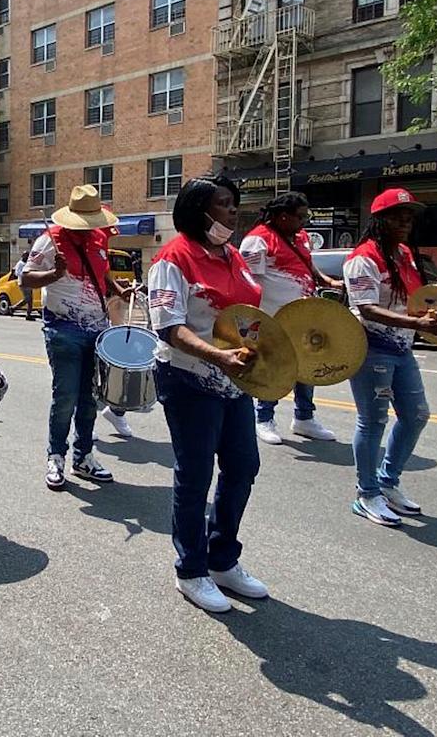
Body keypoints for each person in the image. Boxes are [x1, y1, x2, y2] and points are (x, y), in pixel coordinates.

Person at [147, 174, 269, 613]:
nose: (233, 210)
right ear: (199, 209)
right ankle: (192, 571)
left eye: (235, 202)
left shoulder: (232, 256)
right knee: (195, 474)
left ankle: (222, 560)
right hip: (188, 378)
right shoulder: (172, 258)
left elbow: (246, 315)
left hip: (233, 379)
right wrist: (217, 358)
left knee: (242, 467)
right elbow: (169, 325)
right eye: (223, 203)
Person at [343, 188, 437, 527]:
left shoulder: (404, 253)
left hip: (402, 349)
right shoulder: (363, 258)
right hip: (372, 348)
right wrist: (416, 323)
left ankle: (387, 483)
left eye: (409, 216)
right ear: (380, 220)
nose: (406, 222)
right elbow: (367, 308)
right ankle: (367, 493)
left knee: (417, 415)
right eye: (398, 216)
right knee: (373, 421)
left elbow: (416, 299)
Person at [20, 184, 132, 490]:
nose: (87, 230)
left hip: (96, 328)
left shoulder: (98, 239)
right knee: (66, 396)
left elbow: (101, 273)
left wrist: (117, 288)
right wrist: (53, 275)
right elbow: (25, 278)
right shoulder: (49, 241)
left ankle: (83, 457)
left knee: (89, 398)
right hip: (63, 329)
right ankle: (56, 456)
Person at [239, 191, 344, 445]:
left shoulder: (301, 237)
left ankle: (304, 419)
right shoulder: (257, 241)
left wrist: (326, 280)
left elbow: (308, 264)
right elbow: (247, 282)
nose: (304, 221)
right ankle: (263, 418)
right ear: (282, 217)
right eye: (300, 216)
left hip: (302, 316)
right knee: (274, 368)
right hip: (273, 317)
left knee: (307, 364)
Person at [12, 249, 37, 320]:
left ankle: (28, 315)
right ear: (22, 256)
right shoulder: (20, 264)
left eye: (27, 256)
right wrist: (25, 274)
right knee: (27, 299)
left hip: (29, 283)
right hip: (23, 283)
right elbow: (17, 273)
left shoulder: (28, 263)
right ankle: (14, 307)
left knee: (30, 300)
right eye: (25, 255)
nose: (26, 257)